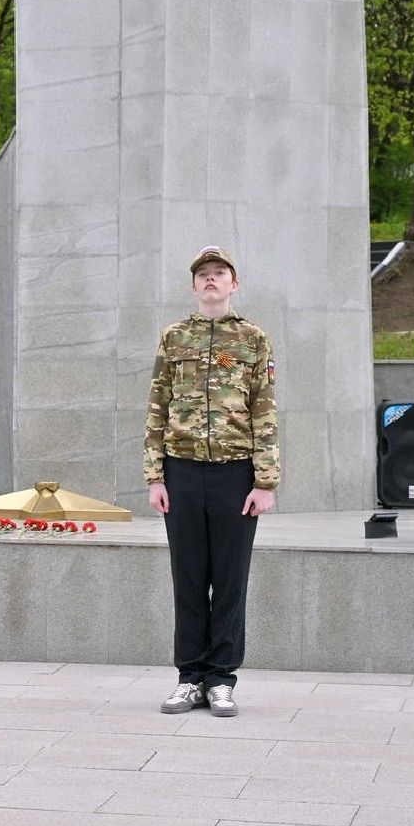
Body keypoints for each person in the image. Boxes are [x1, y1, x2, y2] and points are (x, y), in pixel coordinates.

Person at [145, 246, 279, 719]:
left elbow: (264, 408)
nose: (211, 280)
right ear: (194, 285)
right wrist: (155, 475)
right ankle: (189, 678)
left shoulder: (253, 338)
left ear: (233, 283)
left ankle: (221, 679)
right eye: (203, 274)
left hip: (235, 473)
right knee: (187, 578)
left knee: (229, 579)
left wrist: (265, 481)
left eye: (219, 273)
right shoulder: (174, 336)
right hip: (181, 472)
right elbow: (157, 405)